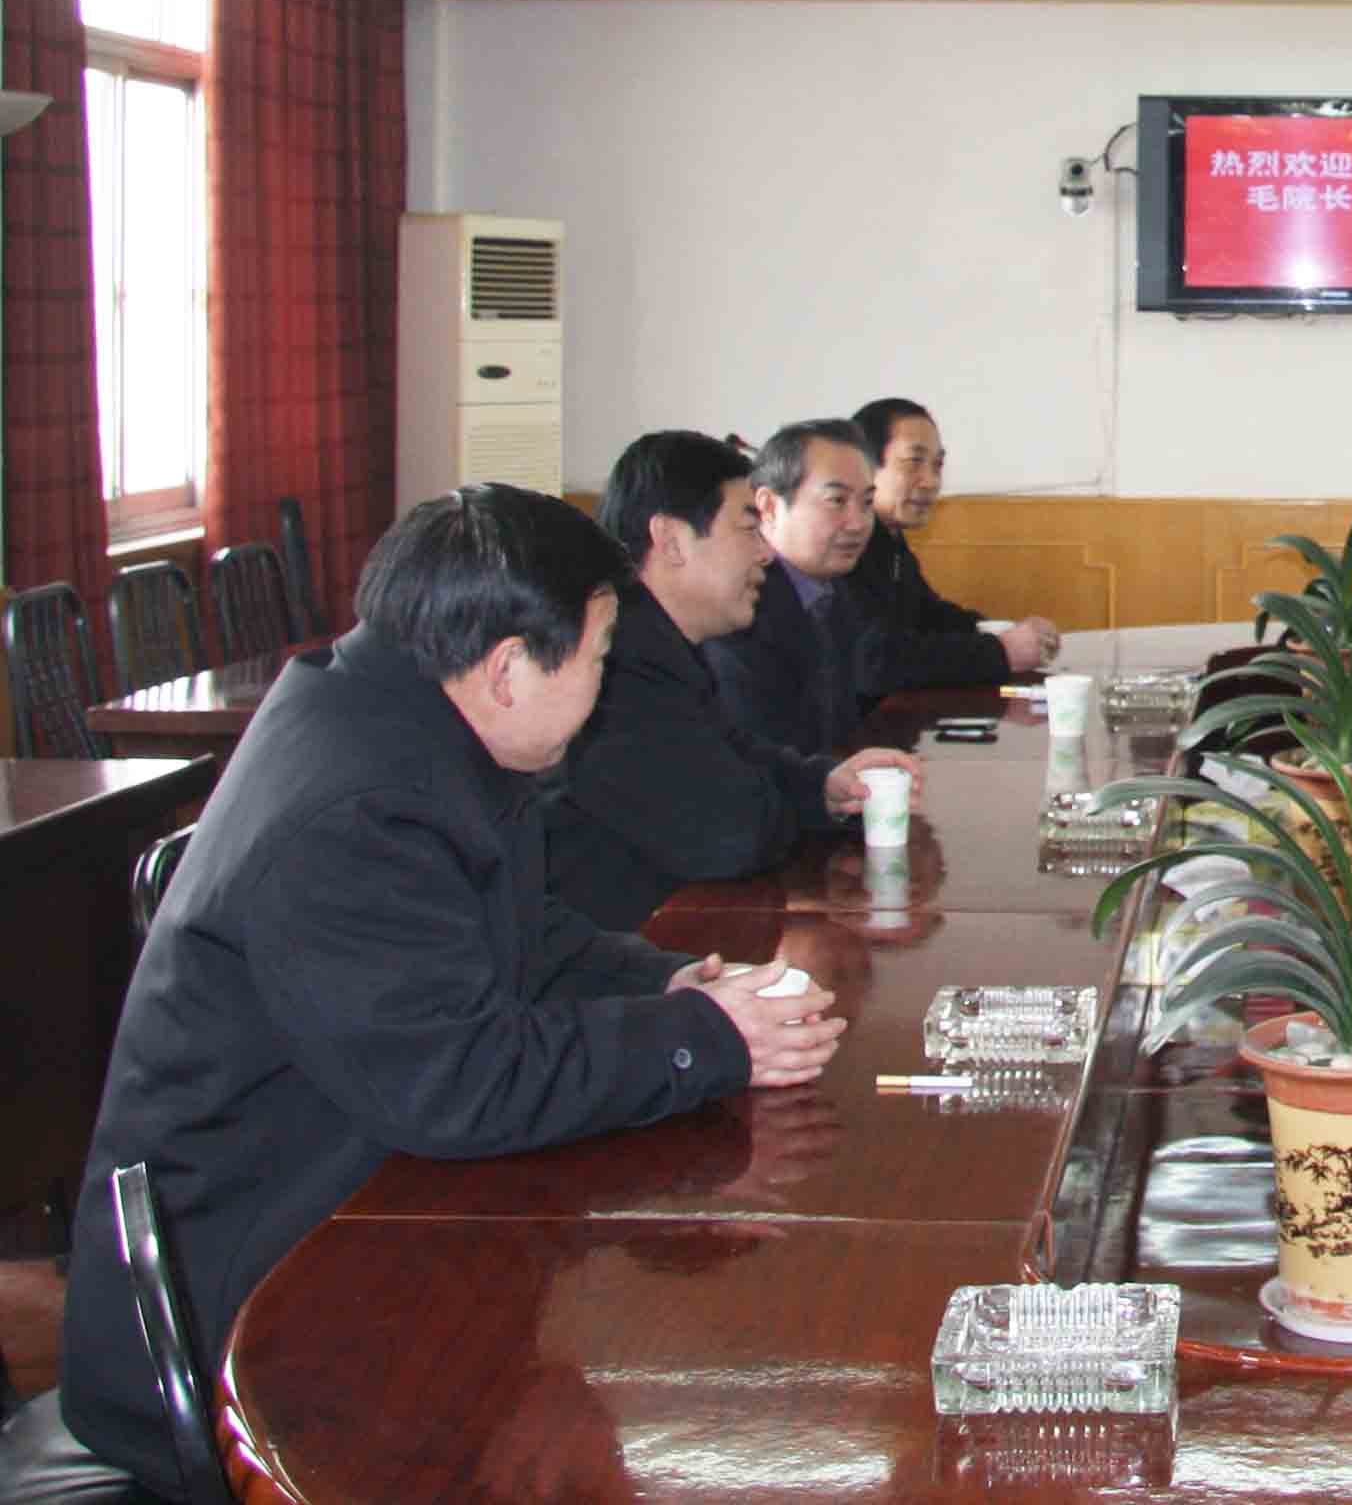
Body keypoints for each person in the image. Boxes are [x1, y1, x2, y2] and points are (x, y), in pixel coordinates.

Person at [44, 485, 844, 1498]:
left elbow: (522, 934)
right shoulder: (361, 808)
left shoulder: (407, 718)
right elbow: (459, 1083)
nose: (603, 688)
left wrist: (671, 980)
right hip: (252, 1317)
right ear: (509, 668)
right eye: (598, 659)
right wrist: (705, 1042)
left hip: (354, 1206)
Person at [545, 430, 926, 931]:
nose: (766, 553)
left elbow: (736, 751)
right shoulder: (614, 664)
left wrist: (825, 785)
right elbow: (730, 833)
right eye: (749, 529)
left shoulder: (660, 643)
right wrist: (797, 801)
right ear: (671, 540)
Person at [703, 419, 887, 757]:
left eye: (866, 503)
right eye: (837, 500)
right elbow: (762, 758)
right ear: (769, 507)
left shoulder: (836, 592)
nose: (859, 523)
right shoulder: (742, 607)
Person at [849, 396, 1059, 685]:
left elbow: (929, 616)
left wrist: (1002, 631)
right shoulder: (846, 547)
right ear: (862, 466)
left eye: (937, 465)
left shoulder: (890, 539)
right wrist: (1002, 651)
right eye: (914, 462)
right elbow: (878, 660)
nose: (931, 481)